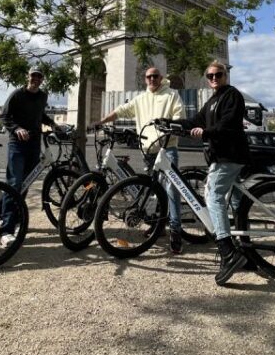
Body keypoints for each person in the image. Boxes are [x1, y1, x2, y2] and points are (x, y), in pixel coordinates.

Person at [95, 67, 186, 254]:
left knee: (171, 189)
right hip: (148, 150)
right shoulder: (140, 99)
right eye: (149, 77)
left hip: (166, 148)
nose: (152, 79)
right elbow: (121, 110)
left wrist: (171, 125)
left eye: (155, 76)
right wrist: (101, 121)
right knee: (153, 191)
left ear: (161, 78)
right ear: (145, 79)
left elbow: (179, 116)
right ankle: (158, 225)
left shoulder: (171, 95)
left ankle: (176, 231)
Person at [178, 61, 249, 286]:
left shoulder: (232, 95)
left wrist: (206, 133)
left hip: (230, 155)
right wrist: (170, 123)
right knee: (238, 201)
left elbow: (228, 123)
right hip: (222, 156)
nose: (214, 78)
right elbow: (194, 120)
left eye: (218, 74)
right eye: (210, 75)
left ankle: (228, 252)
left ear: (226, 74)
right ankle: (247, 249)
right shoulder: (212, 100)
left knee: (213, 196)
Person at [0, 66, 56, 248]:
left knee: (25, 184)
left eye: (39, 76)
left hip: (34, 144)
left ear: (42, 79)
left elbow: (40, 114)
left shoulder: (42, 96)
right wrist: (17, 129)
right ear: (27, 76)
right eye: (33, 75)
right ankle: (5, 231)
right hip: (17, 144)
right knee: (15, 184)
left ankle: (14, 219)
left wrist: (53, 124)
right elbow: (4, 116)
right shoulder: (17, 95)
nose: (36, 79)